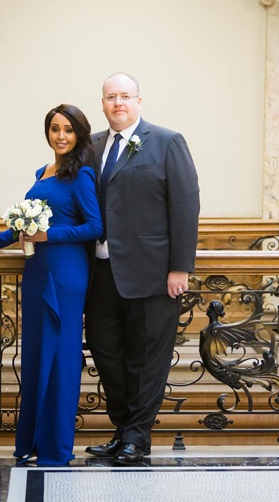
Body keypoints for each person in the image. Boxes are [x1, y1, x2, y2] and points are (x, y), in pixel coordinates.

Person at [0, 104, 102, 466]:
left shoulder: (82, 174)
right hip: (37, 271)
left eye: (68, 130)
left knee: (61, 357)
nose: (60, 136)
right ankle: (34, 443)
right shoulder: (43, 172)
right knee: (38, 355)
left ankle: (56, 448)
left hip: (66, 274)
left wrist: (48, 235)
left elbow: (94, 227)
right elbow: (20, 229)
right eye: (55, 129)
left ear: (79, 134)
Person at [84, 72, 201, 465]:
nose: (118, 103)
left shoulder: (167, 142)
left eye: (125, 96)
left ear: (139, 101)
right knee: (107, 355)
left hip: (152, 274)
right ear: (103, 104)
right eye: (110, 97)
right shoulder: (92, 146)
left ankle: (137, 437)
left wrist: (180, 268)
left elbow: (185, 206)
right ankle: (122, 430)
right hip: (100, 274)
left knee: (148, 358)